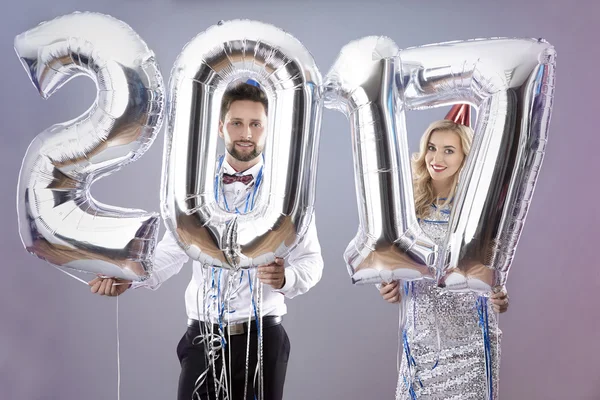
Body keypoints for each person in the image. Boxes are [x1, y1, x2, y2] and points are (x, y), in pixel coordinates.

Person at [88, 82, 324, 400]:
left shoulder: (289, 193)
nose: (246, 133)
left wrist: (286, 278)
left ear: (269, 129)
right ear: (219, 126)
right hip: (202, 336)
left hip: (263, 340)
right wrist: (129, 277)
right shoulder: (193, 187)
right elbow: (172, 251)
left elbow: (312, 262)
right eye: (236, 123)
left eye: (256, 124)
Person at [379, 107, 509, 399]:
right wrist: (387, 285)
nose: (437, 159)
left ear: (466, 157)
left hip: (473, 344)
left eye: (449, 150)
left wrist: (500, 296)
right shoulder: (407, 208)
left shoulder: (482, 212)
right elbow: (392, 262)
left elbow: (492, 271)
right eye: (432, 148)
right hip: (421, 344)